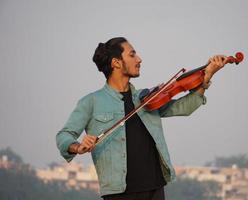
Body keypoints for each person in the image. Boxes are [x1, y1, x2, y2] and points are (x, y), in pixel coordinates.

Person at [56, 37, 227, 200]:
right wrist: (78, 147)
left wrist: (207, 77)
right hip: (119, 193)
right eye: (132, 54)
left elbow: (185, 107)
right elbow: (64, 136)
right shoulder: (91, 102)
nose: (139, 59)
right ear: (116, 62)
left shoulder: (148, 98)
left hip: (155, 189)